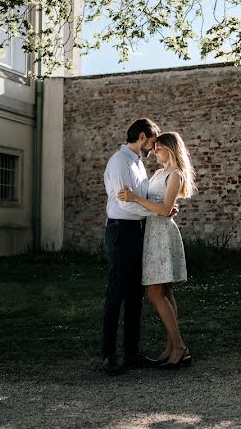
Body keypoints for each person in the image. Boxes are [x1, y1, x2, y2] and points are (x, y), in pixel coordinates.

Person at [118, 131, 195, 370]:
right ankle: (173, 347)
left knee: (154, 293)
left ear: (171, 149)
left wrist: (135, 198)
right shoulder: (160, 173)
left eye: (158, 148)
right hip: (153, 233)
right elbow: (161, 206)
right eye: (154, 148)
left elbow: (162, 209)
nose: (154, 151)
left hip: (162, 234)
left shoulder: (176, 175)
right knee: (166, 292)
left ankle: (180, 347)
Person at [100, 118, 164, 376]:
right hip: (120, 231)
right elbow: (125, 204)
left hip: (137, 232)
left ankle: (131, 353)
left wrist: (161, 206)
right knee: (116, 294)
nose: (153, 146)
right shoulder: (118, 162)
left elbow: (143, 198)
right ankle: (108, 355)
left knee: (135, 295)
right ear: (141, 137)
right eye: (152, 141)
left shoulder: (138, 163)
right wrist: (159, 213)